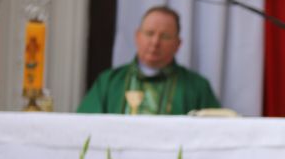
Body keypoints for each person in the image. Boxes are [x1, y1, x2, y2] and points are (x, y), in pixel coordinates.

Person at [77, 6, 220, 115]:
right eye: (149, 33)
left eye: (164, 36)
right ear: (137, 36)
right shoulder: (109, 82)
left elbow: (214, 134)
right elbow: (84, 127)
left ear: (178, 44)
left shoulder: (197, 87)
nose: (155, 42)